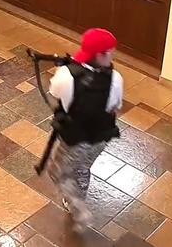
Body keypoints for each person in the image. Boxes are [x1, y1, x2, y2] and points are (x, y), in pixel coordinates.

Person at [46, 28, 123, 233]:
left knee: (57, 171)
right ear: (100, 54)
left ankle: (78, 207)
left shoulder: (64, 75)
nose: (112, 56)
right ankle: (78, 199)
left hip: (75, 138)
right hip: (100, 138)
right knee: (82, 167)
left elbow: (55, 96)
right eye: (110, 52)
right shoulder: (115, 78)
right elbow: (115, 107)